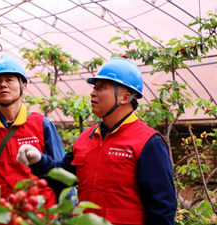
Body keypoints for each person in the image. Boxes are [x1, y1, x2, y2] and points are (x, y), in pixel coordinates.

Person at [17, 57, 177, 225]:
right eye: (94, 88)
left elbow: (162, 207)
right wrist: (38, 160)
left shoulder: (148, 142)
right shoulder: (86, 138)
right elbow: (63, 177)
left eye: (101, 88)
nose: (93, 93)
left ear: (125, 97)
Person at [0, 55, 75, 225]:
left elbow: (61, 176)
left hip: (42, 216)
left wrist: (68, 216)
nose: (3, 84)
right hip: (4, 218)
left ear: (23, 86)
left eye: (9, 79)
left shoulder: (42, 124)